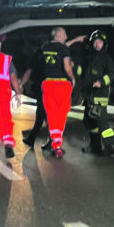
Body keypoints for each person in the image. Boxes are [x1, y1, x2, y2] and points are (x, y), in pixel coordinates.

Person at [40, 26, 84, 158]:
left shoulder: (45, 48)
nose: (66, 36)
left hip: (48, 84)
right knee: (61, 114)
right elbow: (66, 65)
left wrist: (75, 40)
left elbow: (61, 47)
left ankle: (56, 144)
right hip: (62, 85)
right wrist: (72, 77)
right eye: (64, 34)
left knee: (52, 115)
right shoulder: (63, 49)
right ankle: (57, 144)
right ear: (58, 35)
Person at [77, 30, 114, 156]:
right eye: (95, 42)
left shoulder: (107, 59)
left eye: (100, 42)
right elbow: (82, 73)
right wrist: (74, 67)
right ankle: (95, 146)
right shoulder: (89, 57)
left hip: (100, 96)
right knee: (88, 121)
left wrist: (101, 82)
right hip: (89, 95)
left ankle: (111, 146)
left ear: (104, 44)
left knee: (101, 122)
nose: (97, 44)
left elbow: (112, 74)